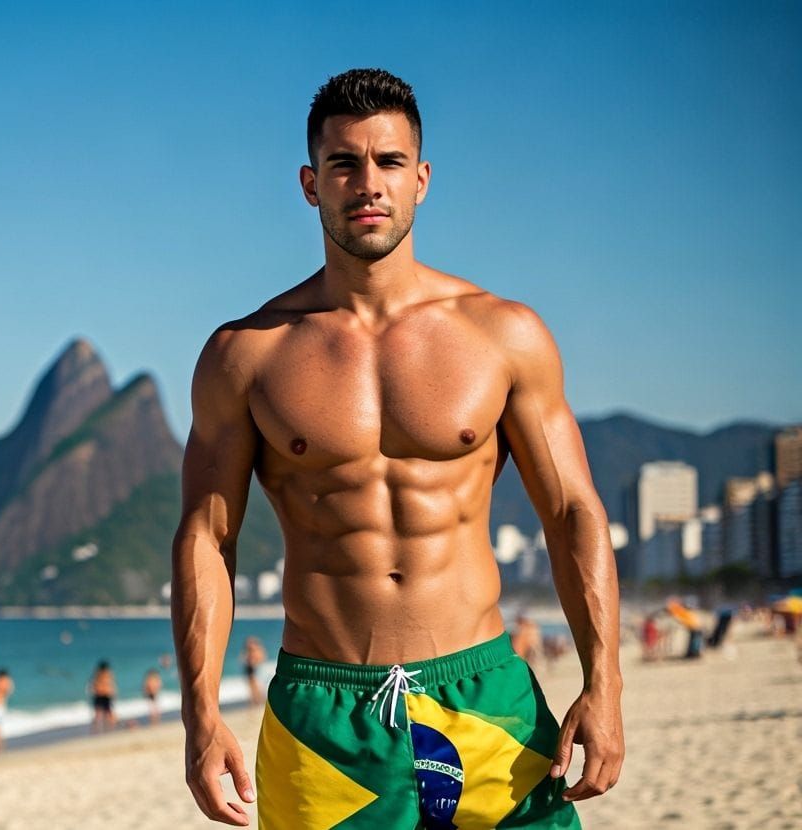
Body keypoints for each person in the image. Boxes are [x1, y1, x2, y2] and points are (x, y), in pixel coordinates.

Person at [171, 68, 623, 828]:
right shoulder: (246, 355)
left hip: (487, 701)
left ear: (421, 178)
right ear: (312, 184)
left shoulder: (501, 334)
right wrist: (200, 714)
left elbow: (573, 512)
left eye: (387, 162)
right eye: (344, 163)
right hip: (325, 718)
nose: (367, 183)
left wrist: (604, 682)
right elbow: (206, 536)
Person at [89, 660, 117, 734]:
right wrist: (113, 694)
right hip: (104, 695)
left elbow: (92, 687)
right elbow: (111, 686)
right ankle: (110, 729)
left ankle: (97, 730)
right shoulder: (106, 674)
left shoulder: (97, 674)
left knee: (100, 714)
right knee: (106, 713)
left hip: (100, 695)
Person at [240, 636, 267, 705]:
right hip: (250, 669)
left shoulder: (256, 650)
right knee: (252, 686)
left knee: (256, 685)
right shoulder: (250, 651)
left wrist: (254, 662)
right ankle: (256, 700)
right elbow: (243, 659)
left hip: (254, 669)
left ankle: (258, 700)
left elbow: (261, 658)